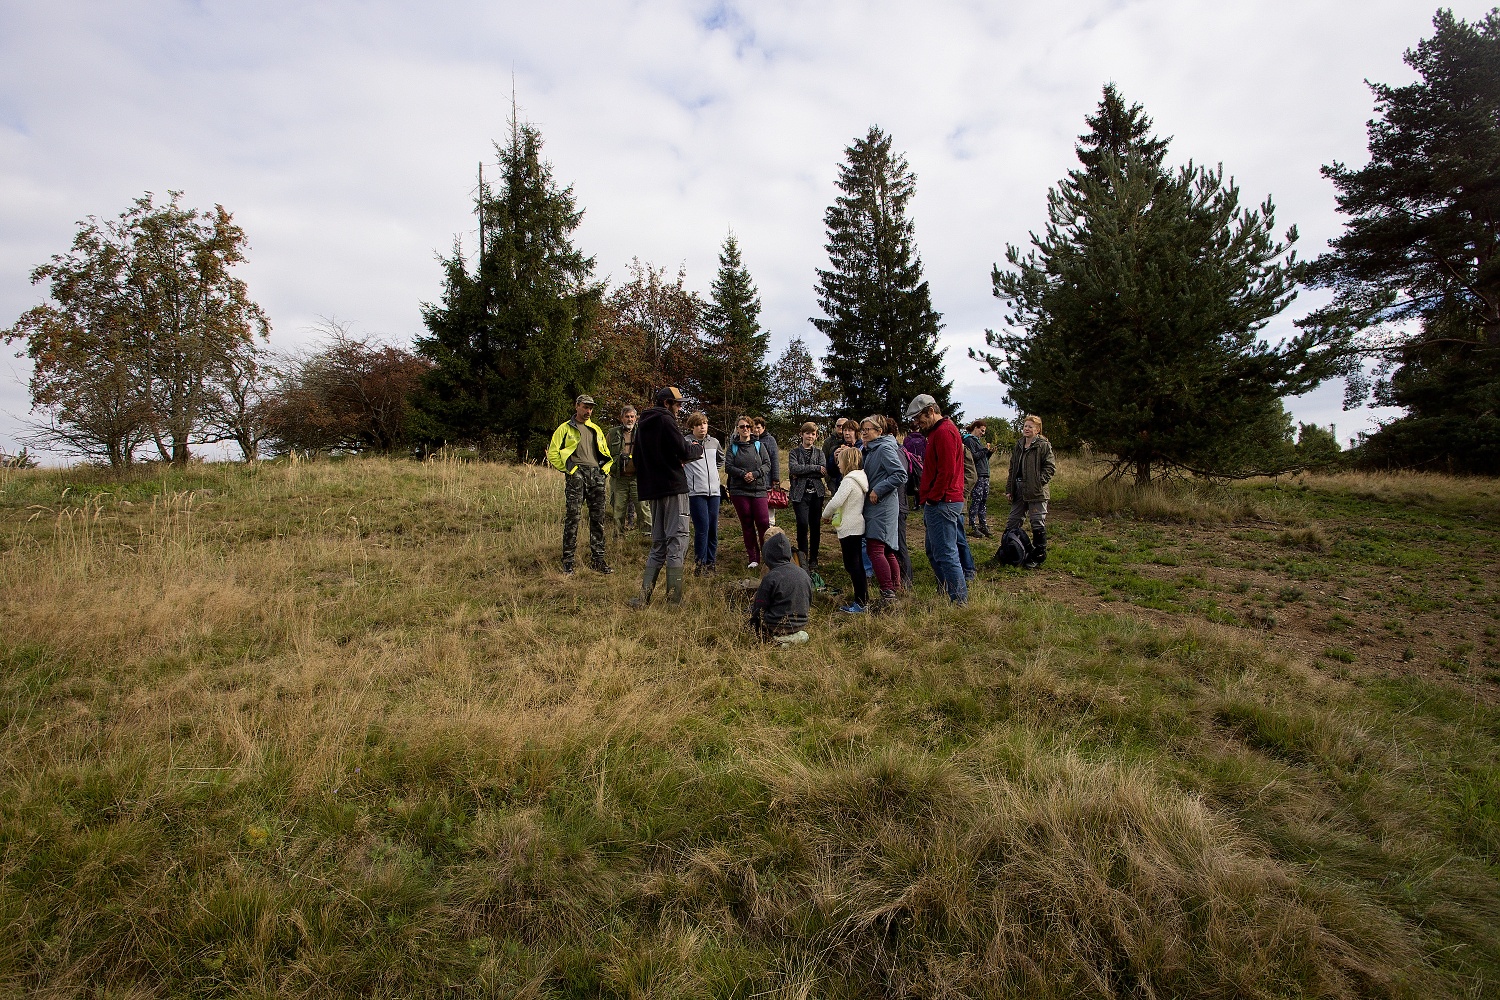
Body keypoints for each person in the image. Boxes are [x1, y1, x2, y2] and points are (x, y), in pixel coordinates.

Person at [631, 386, 697, 605]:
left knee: (658, 543)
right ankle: (673, 601)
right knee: (677, 540)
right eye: (677, 404)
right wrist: (696, 449)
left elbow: (637, 458)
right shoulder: (666, 420)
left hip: (654, 491)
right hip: (674, 489)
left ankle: (643, 597)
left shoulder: (642, 424)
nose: (680, 408)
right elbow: (683, 450)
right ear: (667, 403)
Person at [906, 393, 968, 603]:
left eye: (919, 418)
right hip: (938, 501)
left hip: (943, 502)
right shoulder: (936, 433)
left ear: (931, 411)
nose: (917, 423)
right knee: (934, 551)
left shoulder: (944, 432)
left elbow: (947, 471)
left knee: (947, 554)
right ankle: (947, 592)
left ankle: (959, 600)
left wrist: (933, 498)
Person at [545, 394, 613, 575]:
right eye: (585, 407)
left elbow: (606, 453)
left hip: (596, 476)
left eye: (591, 408)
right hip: (577, 475)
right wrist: (571, 470)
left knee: (598, 519)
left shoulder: (596, 429)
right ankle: (568, 562)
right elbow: (552, 453)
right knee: (573, 517)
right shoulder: (565, 428)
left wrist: (603, 471)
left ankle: (598, 560)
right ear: (577, 406)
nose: (588, 411)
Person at [858, 415, 907, 610]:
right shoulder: (871, 449)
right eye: (863, 430)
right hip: (876, 505)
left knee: (875, 548)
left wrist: (879, 489)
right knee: (886, 549)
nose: (864, 433)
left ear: (879, 432)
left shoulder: (884, 448)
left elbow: (900, 474)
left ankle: (888, 592)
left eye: (868, 429)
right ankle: (896, 587)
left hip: (883, 505)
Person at [1004, 414, 1056, 569]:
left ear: (1037, 430)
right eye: (1025, 426)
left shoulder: (1043, 445)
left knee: (1037, 522)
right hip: (1019, 488)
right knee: (1013, 521)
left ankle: (1039, 555)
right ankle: (1010, 550)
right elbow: (1013, 468)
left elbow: (1050, 467)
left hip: (1036, 491)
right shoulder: (1019, 444)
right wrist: (1010, 489)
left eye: (1030, 426)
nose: (1026, 429)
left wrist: (1038, 482)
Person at [822, 445, 869, 613]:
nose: (838, 465)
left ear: (847, 462)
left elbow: (836, 501)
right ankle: (862, 599)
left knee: (853, 565)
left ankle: (860, 602)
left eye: (839, 461)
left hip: (849, 528)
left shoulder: (849, 480)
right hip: (856, 526)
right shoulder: (860, 479)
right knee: (857, 565)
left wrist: (825, 515)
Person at [750, 527, 811, 645]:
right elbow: (809, 600)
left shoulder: (770, 577)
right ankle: (794, 638)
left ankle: (776, 641)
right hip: (800, 624)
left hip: (776, 626)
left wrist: (752, 626)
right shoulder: (803, 573)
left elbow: (759, 608)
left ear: (767, 553)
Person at [725, 415, 772, 567]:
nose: (745, 429)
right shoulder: (732, 447)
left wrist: (755, 474)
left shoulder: (759, 446)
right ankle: (753, 558)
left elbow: (767, 464)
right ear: (737, 429)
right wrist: (743, 474)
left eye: (747, 426)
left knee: (763, 523)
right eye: (742, 427)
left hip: (758, 489)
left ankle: (768, 556)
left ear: (751, 429)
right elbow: (728, 466)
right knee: (747, 523)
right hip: (739, 490)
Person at [683, 411, 724, 575]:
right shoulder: (686, 442)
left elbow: (721, 459)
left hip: (714, 492)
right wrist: (690, 476)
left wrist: (714, 473)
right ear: (693, 426)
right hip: (696, 492)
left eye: (705, 424)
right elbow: (679, 461)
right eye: (699, 424)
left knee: (713, 528)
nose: (702, 427)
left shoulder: (714, 442)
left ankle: (710, 563)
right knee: (702, 528)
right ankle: (699, 563)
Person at [786, 421, 828, 569]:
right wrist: (815, 468)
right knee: (802, 525)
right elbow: (794, 468)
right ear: (802, 434)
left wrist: (802, 472)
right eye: (807, 433)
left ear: (816, 436)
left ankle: (814, 558)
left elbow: (824, 471)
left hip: (817, 493)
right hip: (800, 494)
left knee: (815, 526)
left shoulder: (820, 452)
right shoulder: (794, 452)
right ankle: (803, 556)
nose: (810, 436)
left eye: (813, 434)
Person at [605, 405, 651, 535]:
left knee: (643, 508)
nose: (630, 419)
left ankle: (647, 536)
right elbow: (603, 454)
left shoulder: (643, 432)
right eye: (627, 416)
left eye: (632, 416)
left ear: (636, 418)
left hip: (638, 478)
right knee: (618, 509)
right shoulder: (612, 434)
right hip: (619, 478)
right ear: (621, 418)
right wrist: (613, 464)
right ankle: (618, 536)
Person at [963, 420, 995, 537]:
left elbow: (982, 457)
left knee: (983, 500)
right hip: (978, 474)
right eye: (982, 430)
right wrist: (984, 450)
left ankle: (983, 524)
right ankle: (973, 525)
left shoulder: (977, 441)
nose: (983, 433)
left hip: (984, 474)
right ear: (975, 427)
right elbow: (973, 457)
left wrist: (988, 453)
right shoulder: (968, 440)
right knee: (976, 500)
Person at [826, 417, 859, 495]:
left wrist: (850, 454)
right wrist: (834, 458)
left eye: (850, 430)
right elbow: (831, 472)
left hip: (857, 488)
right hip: (840, 487)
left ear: (856, 432)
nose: (847, 433)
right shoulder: (838, 447)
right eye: (845, 430)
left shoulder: (863, 447)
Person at [751, 417, 781, 489]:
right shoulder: (750, 439)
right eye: (754, 428)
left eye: (758, 427)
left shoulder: (770, 440)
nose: (756, 430)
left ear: (763, 428)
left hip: (766, 476)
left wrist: (775, 478)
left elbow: (774, 459)